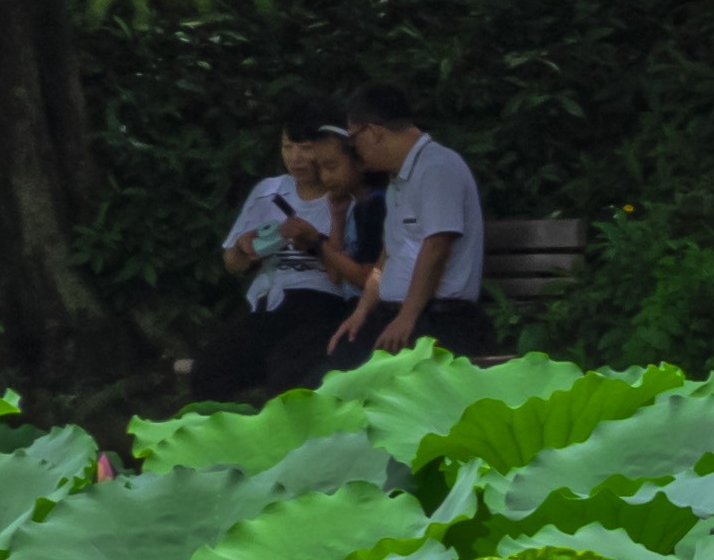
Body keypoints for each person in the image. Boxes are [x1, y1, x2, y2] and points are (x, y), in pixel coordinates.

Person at [190, 108, 370, 398]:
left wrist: (313, 242)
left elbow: (345, 275)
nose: (295, 158)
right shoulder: (269, 190)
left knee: (288, 370)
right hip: (268, 299)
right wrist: (244, 247)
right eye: (287, 147)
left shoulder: (347, 194)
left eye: (306, 148)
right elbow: (232, 264)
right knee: (209, 371)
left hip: (321, 301)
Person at [342, 86, 491, 359]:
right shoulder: (397, 179)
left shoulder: (437, 167)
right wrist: (362, 312)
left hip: (440, 317)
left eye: (353, 140)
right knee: (327, 367)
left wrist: (407, 317)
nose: (354, 151)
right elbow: (389, 254)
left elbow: (437, 247)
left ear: (374, 132)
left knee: (361, 380)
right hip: (395, 312)